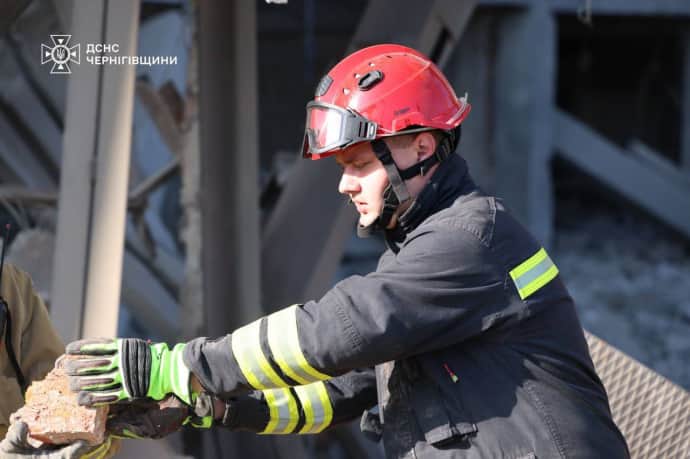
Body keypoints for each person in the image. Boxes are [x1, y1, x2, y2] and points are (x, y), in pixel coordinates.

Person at [63, 44, 630, 458]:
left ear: (420, 148)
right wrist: (211, 403)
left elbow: (338, 330)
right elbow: (338, 393)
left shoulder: (471, 238)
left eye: (358, 164)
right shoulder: (421, 259)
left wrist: (179, 367)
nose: (344, 185)